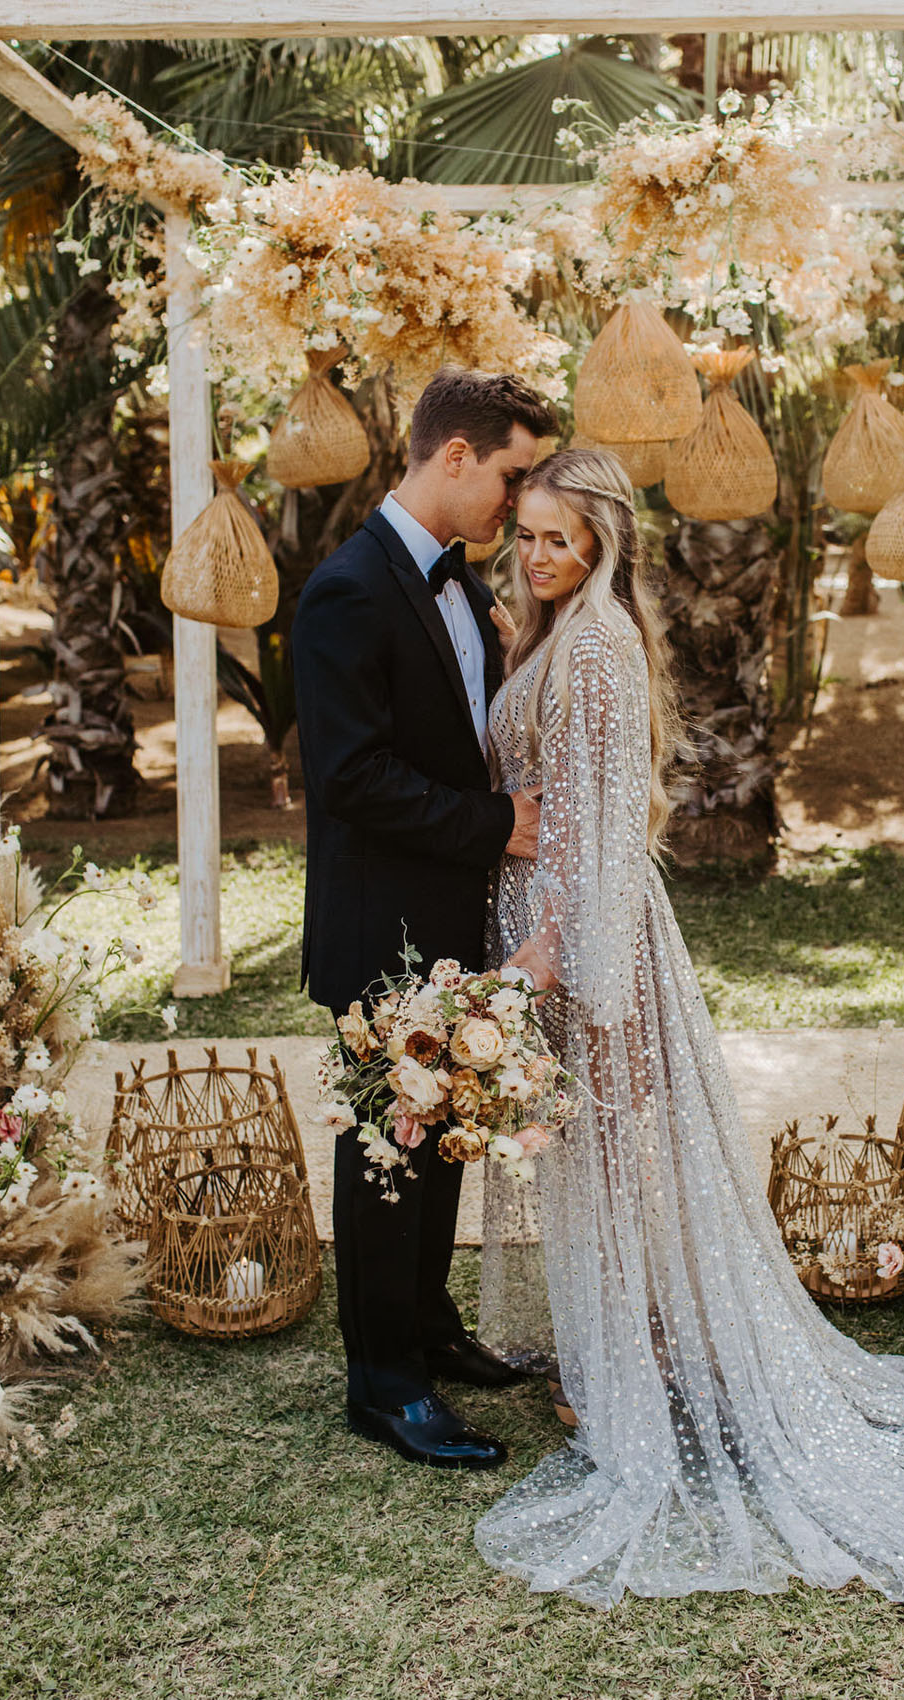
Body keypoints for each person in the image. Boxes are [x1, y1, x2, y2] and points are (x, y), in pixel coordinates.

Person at [475, 446, 904, 1610]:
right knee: (592, 1154)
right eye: (526, 534)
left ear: (601, 545)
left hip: (586, 942)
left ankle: (640, 1368)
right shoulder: (548, 634)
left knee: (623, 1154)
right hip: (555, 928)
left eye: (558, 539)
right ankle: (618, 1356)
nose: (537, 555)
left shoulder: (595, 643)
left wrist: (551, 961)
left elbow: (591, 825)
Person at [292, 367, 558, 1471]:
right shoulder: (348, 587)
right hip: (383, 921)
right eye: (511, 473)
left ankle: (430, 1328)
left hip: (448, 918)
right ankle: (382, 1381)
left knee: (441, 1130)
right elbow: (351, 776)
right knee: (384, 1151)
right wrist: (499, 821)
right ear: (454, 456)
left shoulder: (459, 586)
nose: (518, 498)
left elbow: (445, 731)